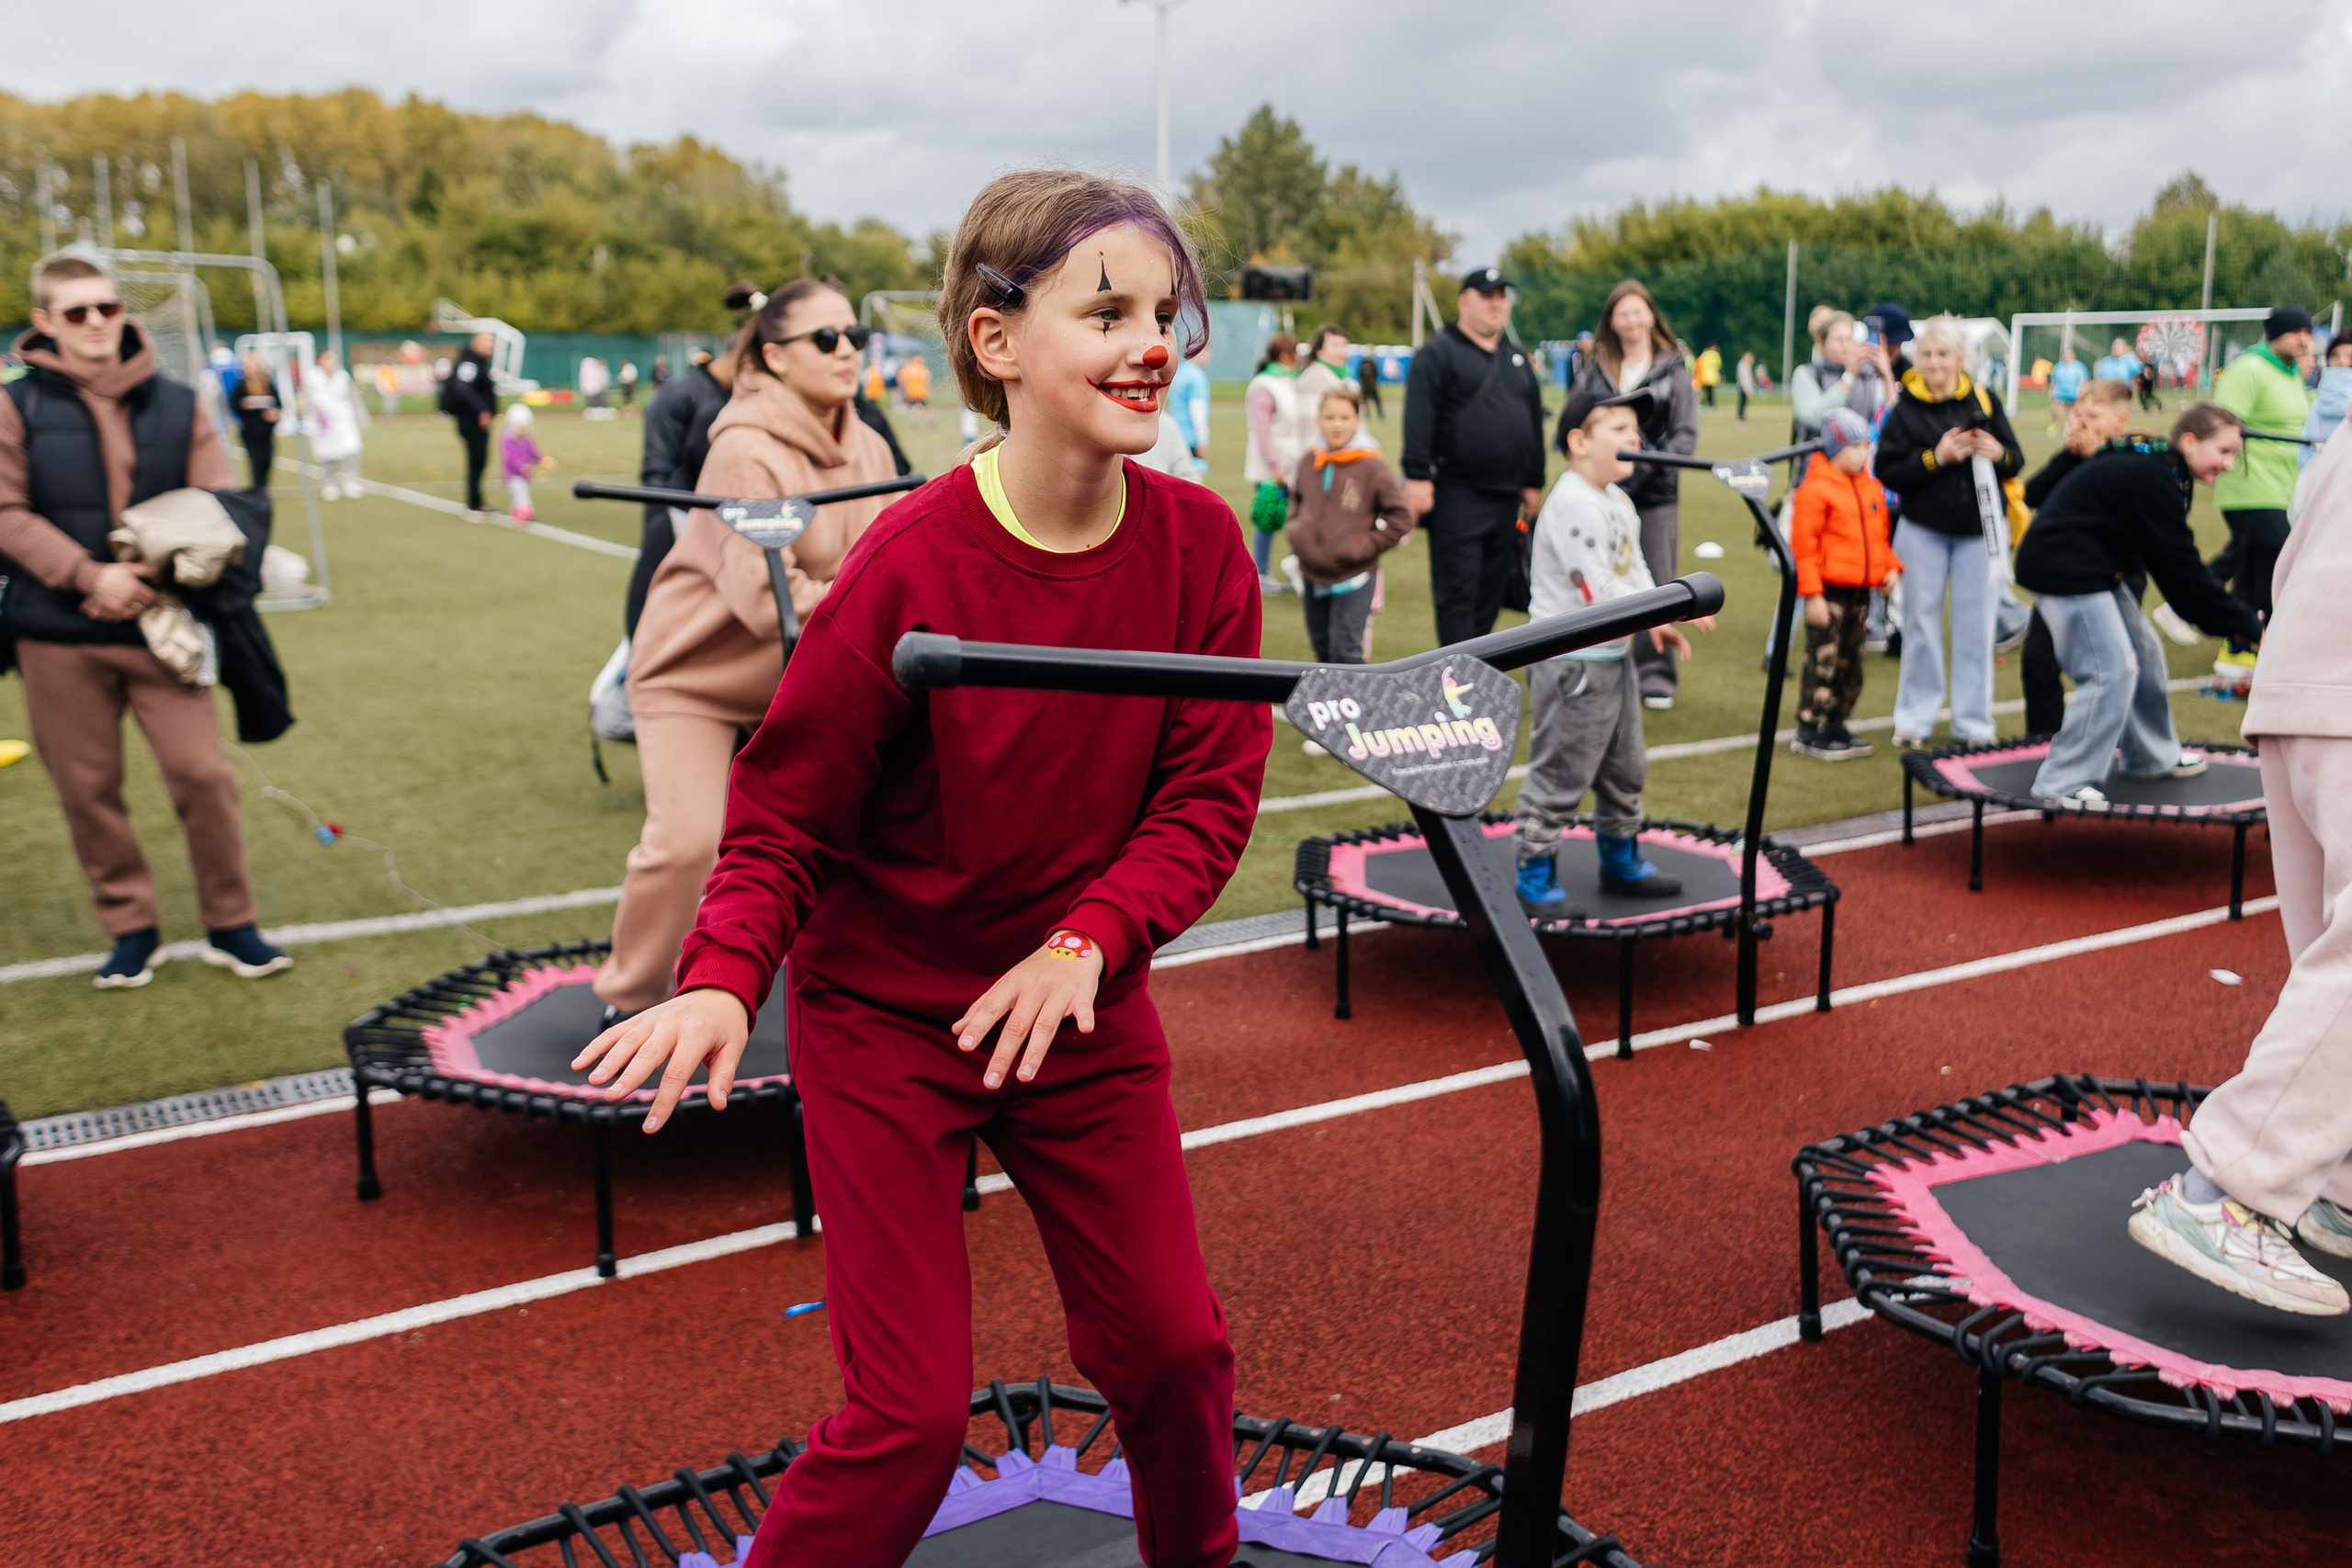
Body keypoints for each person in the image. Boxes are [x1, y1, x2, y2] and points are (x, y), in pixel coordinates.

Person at [575, 167, 1263, 1568]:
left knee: (1177, 1352)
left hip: (1074, 1006)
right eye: (1107, 309)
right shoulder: (908, 562)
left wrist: (1085, 944)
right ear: (997, 341)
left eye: (1165, 312)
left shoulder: (1201, 550)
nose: (1151, 341)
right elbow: (784, 810)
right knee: (905, 1412)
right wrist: (719, 979)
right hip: (886, 1022)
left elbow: (1203, 803)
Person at [593, 276, 899, 1021]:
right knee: (688, 842)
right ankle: (626, 1004)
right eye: (825, 339)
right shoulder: (742, 448)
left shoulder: (866, 442)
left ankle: (844, 994)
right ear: (775, 356)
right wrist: (879, 614)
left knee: (876, 831)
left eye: (854, 337)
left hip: (804, 675)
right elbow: (769, 599)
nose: (846, 351)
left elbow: (898, 562)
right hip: (694, 674)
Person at [0, 253, 289, 987]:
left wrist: (144, 573)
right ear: (44, 323)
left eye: (106, 307)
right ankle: (131, 927)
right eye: (75, 312)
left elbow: (214, 504)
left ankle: (231, 923)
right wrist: (89, 574)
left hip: (163, 625)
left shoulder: (178, 399)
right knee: (87, 789)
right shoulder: (16, 403)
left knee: (203, 775)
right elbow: (6, 513)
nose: (96, 322)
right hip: (56, 631)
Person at [2129, 421, 2352, 1317]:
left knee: (2326, 969)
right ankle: (2231, 1190)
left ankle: (2333, 1182)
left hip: (2300, 689)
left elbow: (2295, 530)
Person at [1512, 385, 1711, 914]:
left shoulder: (1617, 500)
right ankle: (1534, 864)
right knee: (1562, 768)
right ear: (1579, 441)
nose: (1635, 438)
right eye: (1619, 429)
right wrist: (1673, 607)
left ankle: (1620, 854)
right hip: (1572, 662)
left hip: (1613, 656)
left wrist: (1657, 622)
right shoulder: (1573, 503)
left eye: (1636, 429)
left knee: (1627, 766)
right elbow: (1598, 591)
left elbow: (1636, 571)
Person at [2014, 404, 2261, 803]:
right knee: (2111, 671)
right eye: (2225, 451)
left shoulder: (2161, 467)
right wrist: (2248, 627)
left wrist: (2238, 622)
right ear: (2190, 442)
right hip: (2064, 568)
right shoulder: (2155, 475)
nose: (2230, 463)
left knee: (2144, 653)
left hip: (2096, 567)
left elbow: (2169, 565)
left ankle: (2149, 755)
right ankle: (2061, 782)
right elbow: (2183, 576)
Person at [1873, 314, 2023, 747]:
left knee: (1976, 628)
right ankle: (1915, 718)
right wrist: (1935, 457)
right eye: (1927, 354)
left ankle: (1973, 723)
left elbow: (2016, 460)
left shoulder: (1984, 399)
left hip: (1979, 535)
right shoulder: (1906, 408)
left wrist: (1998, 453)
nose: (1934, 363)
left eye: (1943, 354)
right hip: (1922, 531)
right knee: (1919, 626)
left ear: (1961, 358)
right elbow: (1888, 470)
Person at [1564, 279, 1698, 708]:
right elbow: (1578, 417)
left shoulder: (1674, 365)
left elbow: (1685, 435)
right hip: (1603, 487)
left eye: (1638, 311)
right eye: (1622, 312)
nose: (1631, 320)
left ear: (1651, 316)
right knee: (1600, 573)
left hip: (1656, 492)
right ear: (1611, 320)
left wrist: (1642, 473)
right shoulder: (1595, 364)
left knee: (1654, 577)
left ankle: (1656, 672)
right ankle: (1600, 663)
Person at [1403, 267, 1547, 648]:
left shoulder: (1515, 357)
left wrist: (1534, 480)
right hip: (1457, 495)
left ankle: (1474, 668)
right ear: (1464, 302)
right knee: (1457, 593)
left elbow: (1533, 420)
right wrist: (1417, 477)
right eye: (1487, 295)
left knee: (1491, 590)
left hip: (1507, 497)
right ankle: (1453, 683)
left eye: (1502, 295)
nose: (1497, 302)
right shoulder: (1437, 353)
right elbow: (1419, 417)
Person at [626, 287, 747, 637]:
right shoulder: (680, 394)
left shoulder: (732, 396)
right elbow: (657, 470)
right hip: (678, 516)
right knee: (653, 623)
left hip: (712, 524)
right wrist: (664, 532)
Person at [2017, 379, 2135, 736]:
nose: (2082, 424)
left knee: (2117, 668)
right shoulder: (2072, 456)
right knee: (2038, 661)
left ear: (2121, 421)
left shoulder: (2130, 458)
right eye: (2078, 415)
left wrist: (2095, 457)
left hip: (2115, 579)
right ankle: (2042, 743)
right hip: (2064, 578)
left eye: (2093, 416)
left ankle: (2118, 745)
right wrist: (2071, 455)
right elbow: (2031, 494)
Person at [1789, 409, 1899, 761]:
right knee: (1823, 660)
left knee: (1853, 661)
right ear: (1834, 447)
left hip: (1860, 593)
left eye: (1866, 445)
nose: (1863, 453)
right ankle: (1809, 727)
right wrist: (1813, 595)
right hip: (1829, 593)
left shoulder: (1868, 486)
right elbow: (1803, 547)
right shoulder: (1815, 489)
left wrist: (1890, 567)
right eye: (1854, 446)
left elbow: (1879, 536)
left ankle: (1837, 721)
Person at [2211, 308, 2315, 664]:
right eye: (2296, 332)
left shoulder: (2290, 374)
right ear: (2276, 334)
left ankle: (2237, 647)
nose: (2304, 339)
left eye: (2308, 332)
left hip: (2281, 488)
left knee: (2255, 568)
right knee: (2273, 566)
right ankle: (2249, 640)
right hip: (2250, 488)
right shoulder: (2250, 368)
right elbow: (2221, 424)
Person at [1286, 384, 1409, 671]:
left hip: (1353, 576)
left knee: (1347, 654)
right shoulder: (1309, 460)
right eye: (1329, 417)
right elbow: (1296, 497)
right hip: (1312, 572)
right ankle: (1328, 714)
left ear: (1357, 419)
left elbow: (1401, 518)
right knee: (1322, 649)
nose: (1336, 425)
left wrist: (1364, 547)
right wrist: (1297, 530)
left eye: (1344, 417)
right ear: (1319, 420)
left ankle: (1354, 714)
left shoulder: (1372, 467)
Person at [1243, 333, 1306, 591]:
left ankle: (1295, 570)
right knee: (1268, 519)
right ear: (1284, 355)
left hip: (1295, 464)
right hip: (1272, 468)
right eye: (1295, 354)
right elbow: (1262, 430)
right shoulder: (1264, 385)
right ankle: (1262, 572)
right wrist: (1274, 465)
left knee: (1297, 520)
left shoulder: (1293, 381)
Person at [1789, 308, 1890, 443]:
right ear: (1821, 344)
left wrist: (1887, 374)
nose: (1846, 346)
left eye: (1849, 339)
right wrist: (1849, 377)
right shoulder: (1806, 373)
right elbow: (1815, 418)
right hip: (1819, 460)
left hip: (1862, 460)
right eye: (1838, 340)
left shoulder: (1866, 374)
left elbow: (1889, 417)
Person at [441, 330, 498, 513]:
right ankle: (474, 501)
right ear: (475, 342)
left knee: (479, 459)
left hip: (475, 420)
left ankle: (476, 500)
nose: (490, 347)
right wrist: (481, 410)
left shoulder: (477, 362)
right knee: (477, 458)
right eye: (486, 342)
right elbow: (463, 388)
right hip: (471, 421)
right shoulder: (469, 362)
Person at [306, 347, 367, 500]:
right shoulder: (311, 377)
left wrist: (363, 418)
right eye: (327, 358)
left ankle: (350, 482)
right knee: (327, 454)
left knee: (351, 450)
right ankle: (329, 484)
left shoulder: (342, 376)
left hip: (344, 419)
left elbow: (354, 398)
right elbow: (305, 399)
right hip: (323, 421)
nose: (330, 362)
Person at [2298, 334, 2352, 464]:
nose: (2342, 361)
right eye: (2335, 355)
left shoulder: (2316, 401)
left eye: (2349, 356)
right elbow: (2305, 448)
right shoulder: (2315, 400)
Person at [232, 351, 279, 493]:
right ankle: (258, 490)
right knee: (256, 461)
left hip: (266, 431)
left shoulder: (267, 383)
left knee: (268, 459)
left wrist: (274, 413)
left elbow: (277, 403)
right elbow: (234, 404)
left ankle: (263, 486)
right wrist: (244, 405)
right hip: (251, 431)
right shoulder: (242, 385)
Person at [500, 402, 549, 521]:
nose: (523, 431)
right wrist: (521, 466)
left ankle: (516, 508)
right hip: (513, 474)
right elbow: (510, 457)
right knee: (520, 492)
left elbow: (532, 452)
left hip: (525, 474)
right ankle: (524, 509)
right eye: (520, 428)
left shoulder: (528, 438)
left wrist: (541, 458)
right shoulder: (508, 439)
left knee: (521, 491)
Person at [1168, 341, 1211, 477]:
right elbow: (1197, 411)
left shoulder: (1179, 372)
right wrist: (1202, 439)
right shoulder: (1197, 376)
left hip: (1176, 433)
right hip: (1190, 438)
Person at [1296, 325, 1352, 413]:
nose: (1341, 351)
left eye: (1344, 345)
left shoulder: (1346, 379)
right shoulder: (1311, 379)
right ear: (1319, 351)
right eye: (1335, 345)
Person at [2047, 343, 2088, 435]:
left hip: (2073, 393)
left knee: (2072, 411)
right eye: (2064, 355)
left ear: (2073, 355)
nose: (2066, 357)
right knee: (2055, 409)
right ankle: (2055, 425)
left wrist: (2081, 392)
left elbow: (2083, 381)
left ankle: (2070, 426)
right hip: (2060, 392)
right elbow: (2054, 380)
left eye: (2068, 354)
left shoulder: (2079, 366)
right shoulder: (2058, 366)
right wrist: (2051, 390)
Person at [1355, 341, 1384, 419]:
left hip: (1372, 385)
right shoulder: (1364, 362)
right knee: (1364, 402)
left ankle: (1380, 414)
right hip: (1365, 385)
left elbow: (1376, 373)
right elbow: (1360, 373)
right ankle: (1367, 414)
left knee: (1377, 400)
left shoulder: (1373, 362)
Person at [1695, 343, 1722, 408]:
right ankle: (1710, 404)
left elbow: (1699, 364)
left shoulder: (1704, 354)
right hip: (1712, 376)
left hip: (1704, 376)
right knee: (1711, 392)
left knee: (1705, 392)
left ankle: (1703, 404)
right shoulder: (1715, 354)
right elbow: (1718, 365)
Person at [1736, 350, 1756, 422]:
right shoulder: (1741, 365)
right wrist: (1746, 388)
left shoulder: (1747, 365)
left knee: (1745, 402)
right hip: (1743, 387)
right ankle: (1740, 416)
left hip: (1746, 386)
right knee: (1742, 402)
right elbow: (1743, 378)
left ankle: (1743, 415)